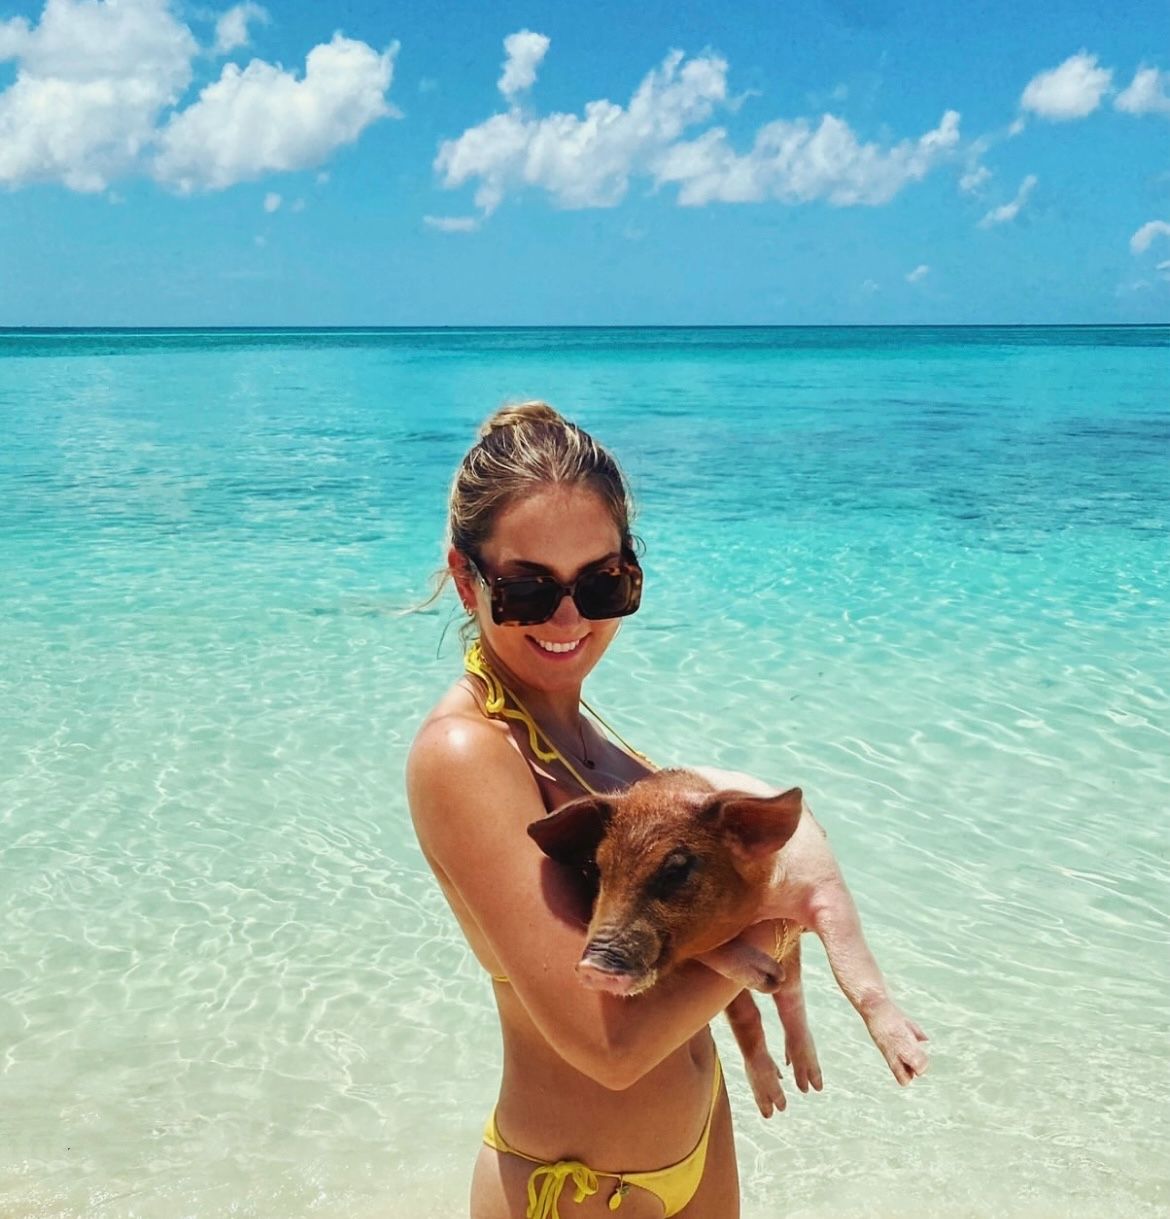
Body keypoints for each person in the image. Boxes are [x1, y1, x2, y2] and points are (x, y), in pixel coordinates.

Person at [407, 401, 791, 1219]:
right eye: (527, 589)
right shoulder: (468, 752)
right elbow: (605, 1048)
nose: (569, 618)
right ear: (467, 577)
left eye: (601, 582)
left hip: (694, 1143)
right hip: (573, 1186)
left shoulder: (593, 741)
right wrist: (777, 923)